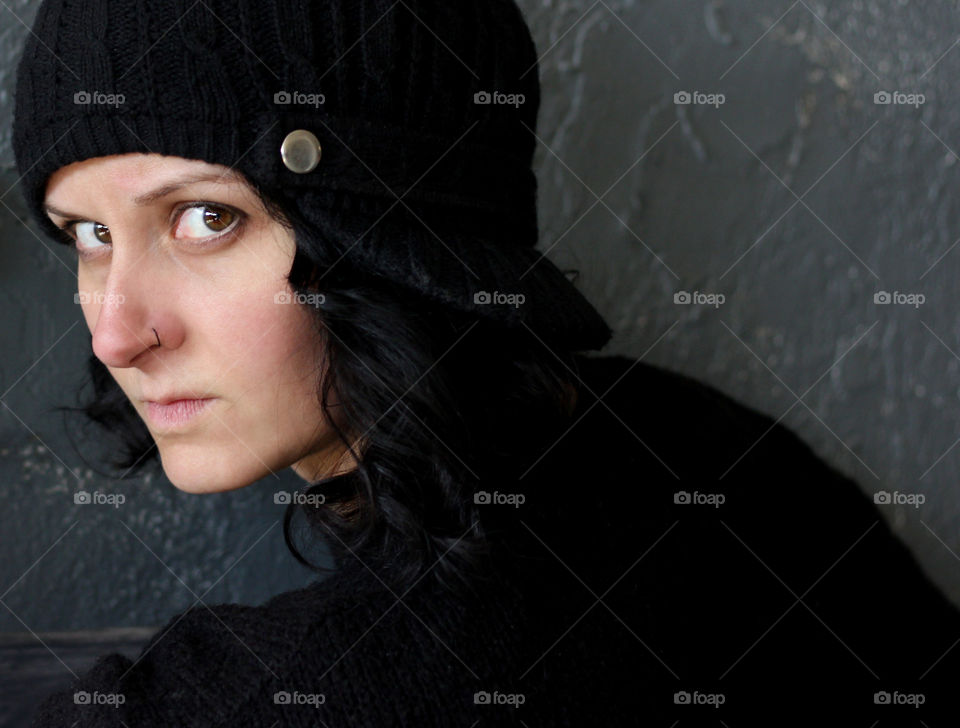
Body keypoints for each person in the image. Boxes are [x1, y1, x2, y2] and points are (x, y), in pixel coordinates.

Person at [10, 0, 960, 724]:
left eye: (206, 217)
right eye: (88, 233)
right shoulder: (681, 441)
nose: (116, 333)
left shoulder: (349, 683)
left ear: (398, 235)